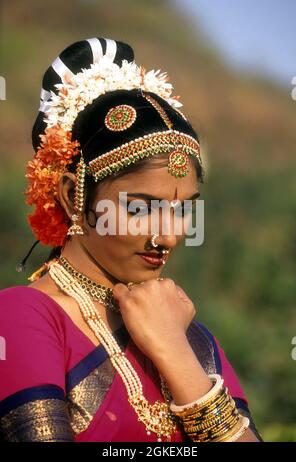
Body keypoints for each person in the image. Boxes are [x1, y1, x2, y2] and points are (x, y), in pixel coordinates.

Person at [0, 37, 262, 442]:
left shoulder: (191, 338)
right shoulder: (24, 317)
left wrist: (176, 354)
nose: (170, 236)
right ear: (74, 196)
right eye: (141, 208)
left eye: (183, 210)